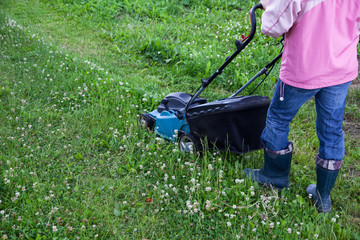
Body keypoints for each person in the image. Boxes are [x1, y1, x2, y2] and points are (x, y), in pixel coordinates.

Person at [244, 0, 360, 213]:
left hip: (304, 69)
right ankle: (322, 195)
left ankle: (274, 175)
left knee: (278, 118)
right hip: (341, 68)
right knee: (332, 129)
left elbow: (271, 27)